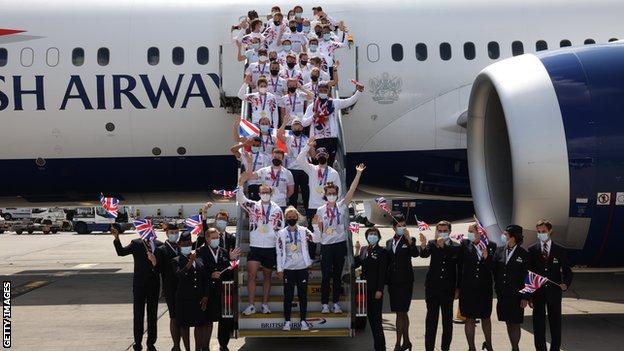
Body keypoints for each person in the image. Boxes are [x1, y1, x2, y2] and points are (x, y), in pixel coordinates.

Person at [312, 163, 366, 313]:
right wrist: (316, 226)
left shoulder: (342, 205)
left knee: (337, 275)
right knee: (326, 276)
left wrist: (358, 173)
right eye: (329, 193)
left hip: (340, 244)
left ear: (336, 194)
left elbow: (352, 189)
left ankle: (335, 303)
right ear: (325, 194)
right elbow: (321, 230)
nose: (331, 195)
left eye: (333, 193)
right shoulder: (321, 209)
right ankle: (324, 304)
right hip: (327, 245)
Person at [236, 180, 284, 315]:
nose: (265, 194)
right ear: (258, 193)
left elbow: (281, 230)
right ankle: (251, 305)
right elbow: (240, 199)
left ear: (271, 193)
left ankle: (265, 304)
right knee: (251, 275)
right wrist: (240, 184)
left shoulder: (277, 209)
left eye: (267, 192)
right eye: (262, 192)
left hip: (270, 247)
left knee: (267, 276)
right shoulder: (253, 206)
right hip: (255, 246)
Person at [112, 223, 161, 351]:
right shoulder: (136, 244)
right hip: (140, 285)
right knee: (138, 315)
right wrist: (117, 238)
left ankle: (151, 343)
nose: (148, 231)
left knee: (152, 315)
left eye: (150, 229)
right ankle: (137, 343)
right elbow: (121, 252)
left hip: (154, 285)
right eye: (145, 229)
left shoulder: (159, 245)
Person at [528, 219, 573, 351]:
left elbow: (567, 271)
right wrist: (529, 295)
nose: (541, 234)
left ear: (550, 231)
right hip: (538, 293)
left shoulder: (560, 250)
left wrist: (565, 283)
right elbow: (530, 274)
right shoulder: (533, 249)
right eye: (539, 232)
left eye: (543, 231)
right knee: (538, 325)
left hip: (554, 293)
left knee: (555, 324)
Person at [419, 220, 461, 351]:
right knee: (431, 320)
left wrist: (457, 288)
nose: (442, 233)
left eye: (445, 231)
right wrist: (423, 245)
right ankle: (429, 348)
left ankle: (445, 348)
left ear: (449, 231)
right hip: (432, 288)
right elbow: (424, 254)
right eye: (440, 231)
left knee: (447, 321)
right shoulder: (432, 243)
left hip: (448, 289)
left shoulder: (455, 246)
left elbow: (458, 266)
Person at [296, 138, 342, 258]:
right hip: (313, 206)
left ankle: (324, 255)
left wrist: (335, 207)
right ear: (316, 156)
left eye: (324, 154)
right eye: (319, 154)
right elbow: (299, 159)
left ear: (327, 156)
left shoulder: (333, 173)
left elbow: (339, 192)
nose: (321, 156)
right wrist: (307, 146)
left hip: (327, 207)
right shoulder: (312, 169)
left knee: (327, 230)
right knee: (312, 231)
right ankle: (311, 256)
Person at [302, 82, 364, 166]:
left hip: (331, 139)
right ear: (317, 91)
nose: (323, 92)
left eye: (325, 90)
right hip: (316, 140)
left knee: (329, 164)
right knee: (316, 166)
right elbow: (304, 123)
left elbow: (349, 101)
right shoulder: (312, 106)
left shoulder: (334, 103)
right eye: (320, 90)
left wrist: (359, 91)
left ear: (328, 91)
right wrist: (313, 116)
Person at [197, 228, 240, 351]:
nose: (216, 240)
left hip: (223, 290)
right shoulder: (201, 251)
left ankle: (223, 344)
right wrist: (210, 274)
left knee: (225, 319)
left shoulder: (224, 251)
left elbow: (228, 270)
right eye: (213, 237)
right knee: (207, 320)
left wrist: (231, 259)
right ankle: (205, 346)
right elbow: (200, 269)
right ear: (207, 238)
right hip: (208, 291)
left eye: (217, 237)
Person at [457, 224, 497, 351]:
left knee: (486, 317)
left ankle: (489, 344)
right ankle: (471, 347)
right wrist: (458, 287)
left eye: (471, 231)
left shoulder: (491, 246)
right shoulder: (464, 245)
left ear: (480, 233)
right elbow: (459, 267)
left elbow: (494, 267)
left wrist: (487, 258)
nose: (469, 234)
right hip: (468, 287)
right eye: (468, 231)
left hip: (484, 288)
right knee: (469, 317)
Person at [276, 206, 314, 331]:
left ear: (297, 217)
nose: (292, 219)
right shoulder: (281, 233)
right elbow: (279, 252)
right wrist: (280, 269)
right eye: (289, 217)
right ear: (285, 218)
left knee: (303, 296)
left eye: (293, 217)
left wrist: (317, 226)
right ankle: (287, 322)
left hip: (302, 268)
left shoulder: (304, 231)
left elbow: (316, 239)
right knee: (288, 296)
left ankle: (303, 321)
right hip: (288, 269)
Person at [493, 224, 530, 351]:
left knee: (515, 322)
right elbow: (494, 269)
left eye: (506, 234)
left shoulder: (523, 254)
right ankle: (513, 346)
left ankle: (515, 348)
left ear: (513, 237)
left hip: (517, 295)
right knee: (508, 321)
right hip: (503, 294)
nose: (504, 236)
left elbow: (527, 277)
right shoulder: (499, 250)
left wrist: (526, 297)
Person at [385, 214, 419, 351]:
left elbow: (415, 254)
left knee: (401, 312)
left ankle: (398, 344)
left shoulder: (409, 241)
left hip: (405, 282)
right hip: (393, 282)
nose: (402, 228)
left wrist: (410, 240)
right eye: (399, 225)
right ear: (394, 228)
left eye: (404, 225)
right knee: (402, 313)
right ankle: (407, 342)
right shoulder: (389, 242)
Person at [172, 232, 209, 351]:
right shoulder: (176, 260)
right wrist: (189, 262)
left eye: (189, 244)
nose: (187, 246)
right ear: (179, 245)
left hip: (198, 298)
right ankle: (187, 349)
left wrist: (205, 295)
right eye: (184, 244)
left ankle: (198, 349)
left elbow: (205, 279)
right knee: (184, 326)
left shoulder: (199, 260)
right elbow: (180, 275)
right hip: (184, 299)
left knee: (199, 325)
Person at [354, 227, 388, 351]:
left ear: (378, 237)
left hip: (375, 291)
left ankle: (380, 347)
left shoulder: (381, 252)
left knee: (376, 321)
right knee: (369, 319)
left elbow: (382, 273)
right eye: (370, 234)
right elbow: (356, 263)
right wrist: (357, 250)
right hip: (364, 289)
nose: (372, 236)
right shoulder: (364, 249)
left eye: (374, 234)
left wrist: (380, 289)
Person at [155, 223, 182, 351]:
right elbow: (158, 269)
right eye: (172, 232)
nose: (174, 235)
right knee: (174, 317)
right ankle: (176, 345)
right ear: (167, 233)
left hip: (182, 286)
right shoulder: (161, 249)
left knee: (182, 316)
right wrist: (154, 262)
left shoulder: (181, 247)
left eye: (176, 232)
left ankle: (180, 344)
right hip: (170, 287)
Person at [277, 118, 310, 210]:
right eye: (295, 128)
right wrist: (284, 122)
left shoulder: (307, 139)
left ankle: (309, 217)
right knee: (293, 196)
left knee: (306, 194)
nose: (297, 130)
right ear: (291, 128)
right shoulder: (289, 139)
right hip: (291, 170)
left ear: (302, 128)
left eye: (299, 128)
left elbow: (312, 153)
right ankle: (292, 216)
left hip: (304, 169)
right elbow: (279, 134)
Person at [230, 134, 271, 201]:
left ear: (260, 146)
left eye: (257, 146)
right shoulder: (245, 155)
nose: (255, 147)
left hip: (262, 184)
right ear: (250, 145)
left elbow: (266, 172)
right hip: (250, 183)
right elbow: (233, 150)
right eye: (253, 145)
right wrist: (244, 144)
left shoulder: (264, 157)